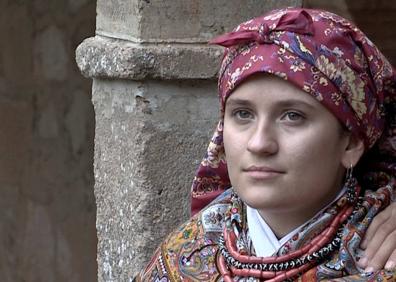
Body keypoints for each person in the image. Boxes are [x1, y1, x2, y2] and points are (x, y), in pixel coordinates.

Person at [134, 8, 396, 281]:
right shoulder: (184, 253)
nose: (259, 143)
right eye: (243, 114)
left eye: (292, 116)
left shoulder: (383, 257)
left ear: (351, 143)